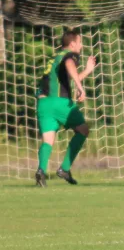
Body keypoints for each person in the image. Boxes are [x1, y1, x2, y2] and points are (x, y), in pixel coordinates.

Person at [35, 31, 96, 187]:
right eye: (80, 42)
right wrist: (80, 87)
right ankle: (64, 168)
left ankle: (41, 171)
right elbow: (70, 65)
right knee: (83, 130)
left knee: (48, 140)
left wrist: (87, 71)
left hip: (43, 103)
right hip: (59, 103)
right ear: (72, 44)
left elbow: (66, 78)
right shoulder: (70, 55)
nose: (81, 45)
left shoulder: (56, 57)